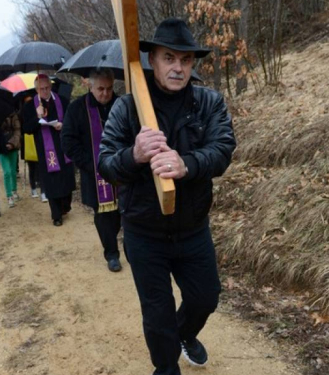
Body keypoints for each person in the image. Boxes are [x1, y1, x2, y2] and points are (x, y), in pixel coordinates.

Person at [98, 18, 236, 375]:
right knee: (157, 314)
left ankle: (185, 333)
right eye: (169, 58)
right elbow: (106, 165)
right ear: (153, 60)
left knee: (206, 297)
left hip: (192, 228)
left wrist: (186, 163)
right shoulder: (128, 107)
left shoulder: (209, 102)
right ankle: (166, 367)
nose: (178, 67)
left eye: (185, 60)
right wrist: (135, 154)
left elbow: (222, 150)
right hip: (144, 232)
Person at [62, 68, 122, 273]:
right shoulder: (77, 108)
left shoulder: (121, 104)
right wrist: (90, 164)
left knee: (123, 212)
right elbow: (68, 141)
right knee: (104, 215)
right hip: (95, 174)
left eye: (109, 88)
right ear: (90, 86)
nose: (105, 94)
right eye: (101, 89)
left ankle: (129, 248)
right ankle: (112, 253)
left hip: (123, 170)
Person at [22, 74, 75, 226]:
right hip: (45, 150)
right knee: (51, 181)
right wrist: (37, 117)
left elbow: (72, 121)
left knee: (65, 179)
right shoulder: (30, 106)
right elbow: (27, 129)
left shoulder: (62, 101)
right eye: (41, 89)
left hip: (62, 146)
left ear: (50, 87)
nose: (44, 91)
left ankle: (65, 205)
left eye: (47, 88)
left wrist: (63, 125)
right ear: (36, 89)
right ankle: (56, 215)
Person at [0, 112, 21, 208]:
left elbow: (17, 130)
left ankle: (14, 190)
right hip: (2, 148)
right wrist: (3, 144)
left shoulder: (14, 115)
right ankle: (9, 196)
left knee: (12, 171)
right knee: (6, 172)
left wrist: (12, 143)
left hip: (13, 146)